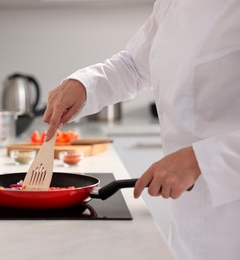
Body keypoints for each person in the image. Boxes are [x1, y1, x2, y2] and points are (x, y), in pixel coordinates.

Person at [42, 0, 240, 259]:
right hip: (187, 227)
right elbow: (134, 65)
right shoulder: (171, 4)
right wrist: (84, 83)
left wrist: (203, 158)